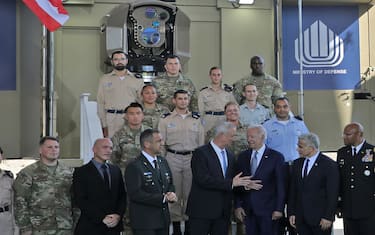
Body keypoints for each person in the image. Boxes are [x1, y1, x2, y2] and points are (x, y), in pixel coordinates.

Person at [186, 122, 252, 235]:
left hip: (222, 213)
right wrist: (231, 183)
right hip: (202, 211)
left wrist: (244, 184)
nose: (234, 139)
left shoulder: (230, 155)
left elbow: (233, 181)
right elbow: (202, 179)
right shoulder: (201, 153)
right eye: (232, 136)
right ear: (222, 135)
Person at [158, 89, 205, 235]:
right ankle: (177, 227)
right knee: (174, 192)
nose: (183, 101)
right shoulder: (166, 119)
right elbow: (160, 143)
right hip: (173, 157)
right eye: (180, 99)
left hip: (192, 158)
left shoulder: (196, 119)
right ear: (174, 100)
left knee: (191, 193)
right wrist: (162, 163)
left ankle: (190, 227)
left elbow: (202, 142)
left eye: (185, 98)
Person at [13, 136, 74, 235]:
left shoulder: (68, 171)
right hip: (38, 228)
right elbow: (20, 201)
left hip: (65, 226)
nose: (54, 150)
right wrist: (25, 227)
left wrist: (74, 222)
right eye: (49, 147)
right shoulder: (28, 172)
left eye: (56, 147)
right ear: (40, 150)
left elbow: (74, 198)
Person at [234, 125, 286, 235]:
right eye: (248, 137)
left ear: (262, 137)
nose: (249, 140)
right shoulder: (242, 156)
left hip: (269, 211)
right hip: (248, 211)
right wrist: (238, 205)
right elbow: (237, 183)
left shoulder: (276, 157)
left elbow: (281, 185)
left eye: (252, 137)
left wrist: (279, 209)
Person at [125, 129, 177, 235]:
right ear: (147, 144)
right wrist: (162, 198)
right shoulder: (135, 166)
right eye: (158, 141)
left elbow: (170, 183)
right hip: (145, 222)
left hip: (163, 220)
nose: (162, 144)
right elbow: (135, 193)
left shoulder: (162, 162)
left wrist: (171, 193)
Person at [73, 138, 127, 235]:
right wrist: (101, 218)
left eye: (110, 148)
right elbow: (80, 199)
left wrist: (118, 215)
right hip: (91, 227)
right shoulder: (81, 172)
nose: (108, 151)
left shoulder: (115, 170)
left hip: (113, 228)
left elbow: (122, 196)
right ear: (94, 149)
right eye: (105, 147)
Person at [288, 133, 339, 235]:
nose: (297, 149)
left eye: (300, 147)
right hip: (301, 219)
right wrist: (291, 213)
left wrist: (328, 217)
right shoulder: (297, 164)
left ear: (311, 148)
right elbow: (293, 190)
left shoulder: (329, 165)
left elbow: (333, 193)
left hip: (320, 220)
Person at [337, 122, 375, 235]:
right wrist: (338, 204)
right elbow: (339, 180)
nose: (344, 137)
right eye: (344, 134)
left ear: (359, 134)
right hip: (348, 208)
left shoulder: (371, 151)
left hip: (368, 208)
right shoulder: (342, 152)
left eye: (348, 134)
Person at [97, 50, 144, 138]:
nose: (119, 62)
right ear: (112, 62)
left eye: (122, 59)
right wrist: (104, 124)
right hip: (111, 118)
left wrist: (139, 118)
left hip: (131, 118)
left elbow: (141, 101)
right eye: (116, 59)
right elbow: (100, 102)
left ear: (126, 61)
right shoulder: (105, 79)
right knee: (112, 147)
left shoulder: (136, 79)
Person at [263, 97, 309, 164]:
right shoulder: (266, 126)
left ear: (289, 107)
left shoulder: (299, 124)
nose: (282, 109)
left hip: (297, 164)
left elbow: (308, 143)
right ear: (274, 108)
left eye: (285, 106)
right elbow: (263, 147)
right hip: (275, 165)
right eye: (278, 107)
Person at [111, 102, 151, 173]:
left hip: (147, 172)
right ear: (126, 116)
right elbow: (114, 158)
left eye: (138, 113)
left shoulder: (150, 133)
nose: (135, 116)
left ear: (143, 116)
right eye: (131, 114)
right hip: (126, 173)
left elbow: (158, 153)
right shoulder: (118, 135)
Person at [198, 66, 236, 132]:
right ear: (210, 76)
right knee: (207, 139)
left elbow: (233, 107)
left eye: (218, 75)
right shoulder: (203, 92)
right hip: (209, 119)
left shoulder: (228, 91)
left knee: (224, 139)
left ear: (221, 76)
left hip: (224, 118)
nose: (216, 77)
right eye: (214, 75)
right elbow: (200, 110)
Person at [0, 147, 17, 235]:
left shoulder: (8, 177)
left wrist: (16, 229)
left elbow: (15, 204)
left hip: (5, 223)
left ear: (1, 157)